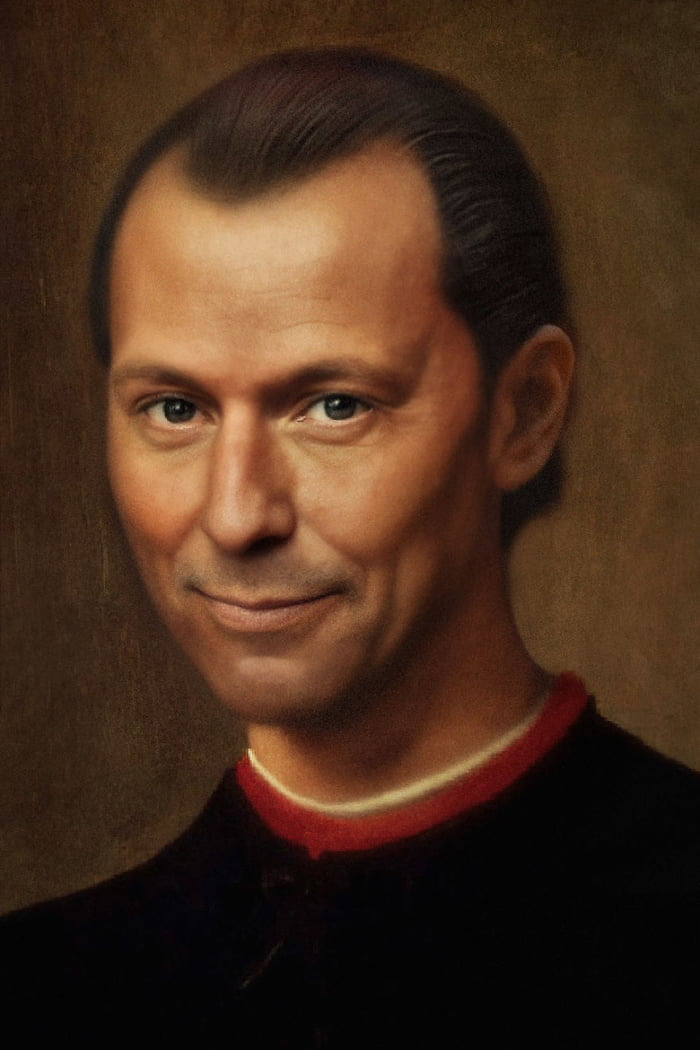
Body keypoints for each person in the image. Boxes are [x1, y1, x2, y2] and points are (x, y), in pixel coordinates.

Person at [1, 48, 698, 1048]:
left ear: (524, 412)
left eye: (333, 406)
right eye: (175, 408)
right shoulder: (40, 985)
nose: (237, 516)